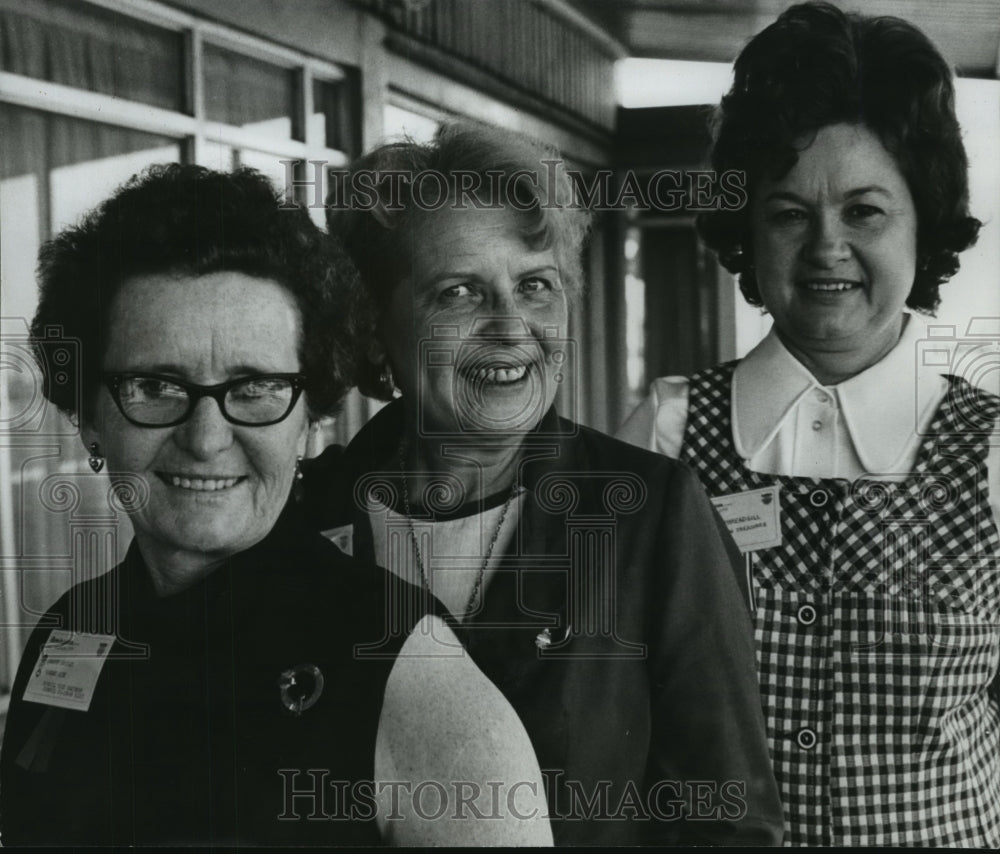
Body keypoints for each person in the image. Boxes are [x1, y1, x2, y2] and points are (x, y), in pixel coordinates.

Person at [0, 164, 553, 846]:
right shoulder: (71, 629)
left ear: (311, 420)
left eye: (255, 387)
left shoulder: (409, 673)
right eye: (154, 385)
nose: (205, 440)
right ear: (88, 417)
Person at [302, 122, 784, 846]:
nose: (510, 328)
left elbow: (729, 824)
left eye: (535, 286)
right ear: (375, 329)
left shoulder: (649, 514)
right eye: (459, 292)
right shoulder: (303, 518)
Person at [617, 2, 999, 846]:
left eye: (864, 211)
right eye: (790, 212)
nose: (826, 247)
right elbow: (621, 707)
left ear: (922, 221)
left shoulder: (994, 449)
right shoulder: (671, 431)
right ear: (748, 229)